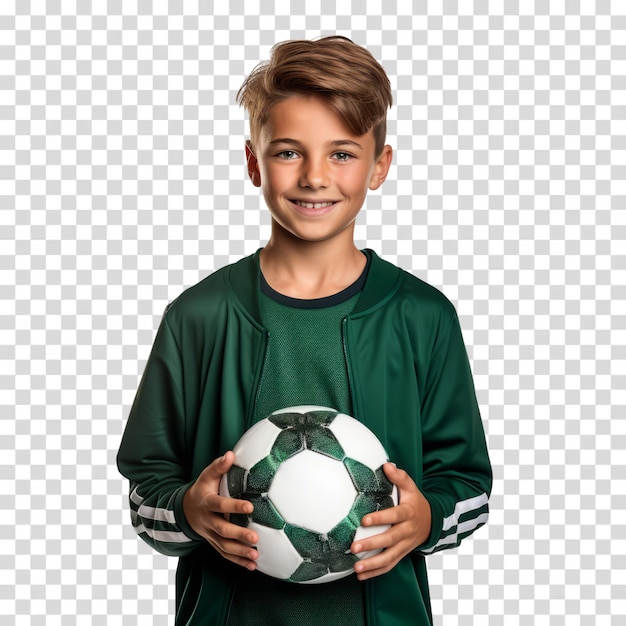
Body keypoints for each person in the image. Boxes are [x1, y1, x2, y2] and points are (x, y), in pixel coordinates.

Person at [117, 35, 492, 626]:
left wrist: (426, 520)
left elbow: (469, 486)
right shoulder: (199, 316)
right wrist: (189, 512)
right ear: (252, 163)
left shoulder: (421, 316)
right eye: (289, 152)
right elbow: (145, 495)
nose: (315, 177)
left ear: (379, 166)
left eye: (341, 153)